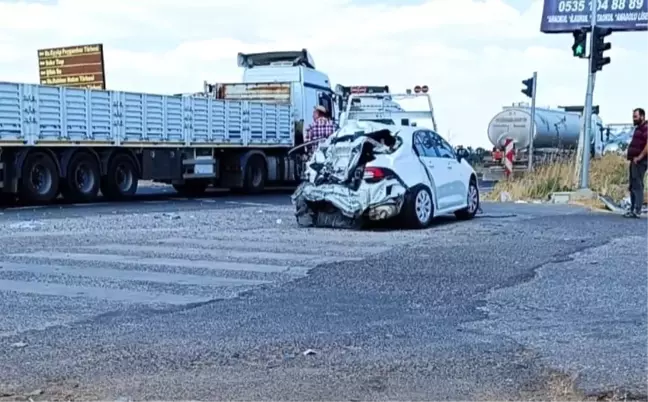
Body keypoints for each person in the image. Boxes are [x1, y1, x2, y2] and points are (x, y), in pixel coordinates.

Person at [624, 107, 648, 218]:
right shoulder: (639, 128)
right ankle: (633, 209)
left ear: (642, 116)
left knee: (637, 185)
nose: (633, 119)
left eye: (635, 116)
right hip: (634, 160)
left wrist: (639, 157)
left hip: (640, 161)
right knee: (633, 185)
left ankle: (637, 210)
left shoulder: (645, 127)